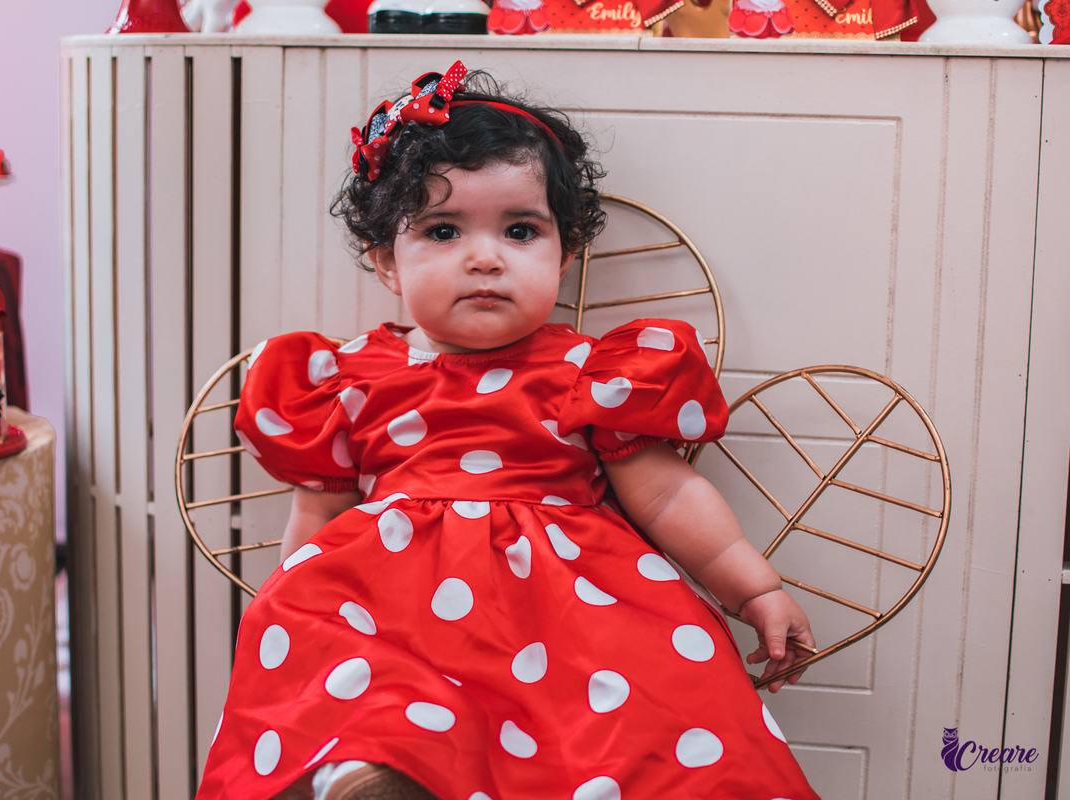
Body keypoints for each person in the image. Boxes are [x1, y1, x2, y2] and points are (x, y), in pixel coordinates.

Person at [196, 61, 820, 800]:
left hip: (570, 608)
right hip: (392, 606)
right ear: (387, 263)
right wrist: (291, 625)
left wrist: (755, 589)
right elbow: (318, 520)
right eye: (442, 230)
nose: (485, 256)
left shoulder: (590, 373)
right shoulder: (349, 379)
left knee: (658, 708)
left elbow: (666, 500)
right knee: (367, 688)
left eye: (520, 230)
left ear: (565, 254)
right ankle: (367, 773)